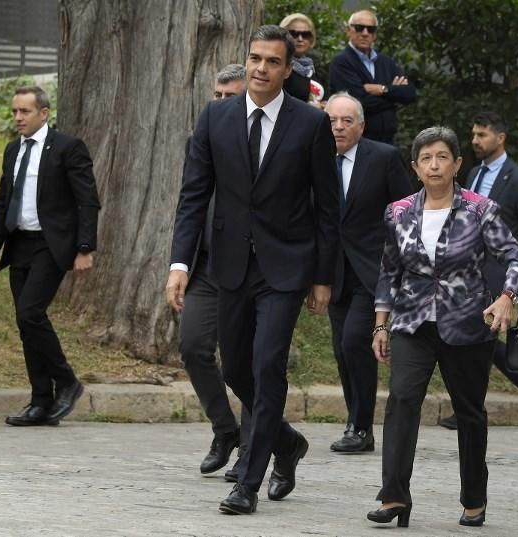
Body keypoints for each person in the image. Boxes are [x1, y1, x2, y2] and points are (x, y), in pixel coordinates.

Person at [166, 25, 339, 515]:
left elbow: (328, 206)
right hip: (229, 265)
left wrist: (323, 276)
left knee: (267, 366)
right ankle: (287, 443)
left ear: (287, 70)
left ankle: (247, 480)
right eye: (254, 58)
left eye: (272, 62)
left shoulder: (309, 124)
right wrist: (180, 263)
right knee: (238, 368)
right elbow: (193, 196)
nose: (260, 68)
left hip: (286, 268)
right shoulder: (216, 117)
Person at [367, 126, 518, 528]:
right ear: (415, 167)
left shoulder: (480, 208)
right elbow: (389, 270)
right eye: (426, 158)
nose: (434, 164)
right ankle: (394, 497)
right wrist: (380, 325)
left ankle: (474, 497)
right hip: (411, 321)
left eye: (442, 157)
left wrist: (507, 297)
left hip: (466, 323)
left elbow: (514, 257)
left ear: (457, 164)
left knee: (469, 412)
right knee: (402, 400)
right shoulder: (399, 211)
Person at [0, 85, 100, 426]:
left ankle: (66, 381)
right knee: (24, 321)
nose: (18, 117)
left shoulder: (67, 147)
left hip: (52, 244)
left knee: (31, 312)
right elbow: (4, 200)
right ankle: (40, 400)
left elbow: (87, 200)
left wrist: (84, 247)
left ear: (44, 113)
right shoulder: (11, 150)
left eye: (25, 111)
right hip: (19, 242)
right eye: (15, 111)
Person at [325, 92, 412, 452]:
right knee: (340, 349)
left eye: (347, 121)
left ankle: (361, 427)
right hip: (333, 271)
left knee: (354, 341)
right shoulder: (315, 159)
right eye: (332, 120)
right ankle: (353, 420)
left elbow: (405, 210)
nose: (339, 127)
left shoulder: (384, 157)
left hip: (373, 268)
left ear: (361, 124)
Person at [175, 64, 247, 478]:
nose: (219, 103)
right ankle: (225, 429)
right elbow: (191, 200)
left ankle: (253, 451)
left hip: (253, 266)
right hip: (206, 265)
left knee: (250, 363)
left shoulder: (268, 141)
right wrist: (180, 263)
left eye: (229, 96)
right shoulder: (200, 139)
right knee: (193, 346)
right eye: (216, 96)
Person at [440, 111, 518, 431]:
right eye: (474, 135)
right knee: (474, 341)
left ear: (500, 138)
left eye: (482, 135)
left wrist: (516, 276)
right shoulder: (474, 173)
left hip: (498, 272)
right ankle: (471, 403)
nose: (475, 140)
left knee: (481, 341)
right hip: (466, 272)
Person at [328, 9, 416, 144]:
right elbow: (358, 103)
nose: (365, 33)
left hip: (388, 140)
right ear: (348, 31)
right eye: (359, 28)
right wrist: (393, 97)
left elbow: (409, 93)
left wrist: (383, 89)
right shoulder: (341, 62)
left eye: (370, 29)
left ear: (375, 35)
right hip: (357, 141)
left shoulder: (385, 61)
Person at [279, 13, 324, 105]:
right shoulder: (278, 66)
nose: (300, 39)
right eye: (294, 34)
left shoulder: (315, 68)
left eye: (306, 35)